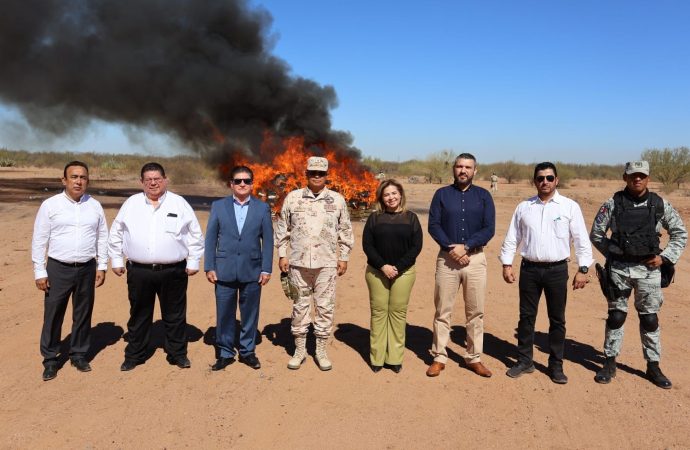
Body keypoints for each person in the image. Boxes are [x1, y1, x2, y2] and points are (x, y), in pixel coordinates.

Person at [590, 160, 686, 389]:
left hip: (649, 270)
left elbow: (680, 233)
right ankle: (609, 362)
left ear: (648, 178)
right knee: (616, 317)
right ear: (625, 177)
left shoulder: (659, 204)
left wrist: (664, 258)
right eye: (633, 175)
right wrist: (614, 253)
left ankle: (653, 366)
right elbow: (596, 234)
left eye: (642, 175)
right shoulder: (612, 203)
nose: (637, 179)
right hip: (620, 270)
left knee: (650, 318)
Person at [499, 162, 593, 384]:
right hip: (529, 269)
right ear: (535, 181)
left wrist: (583, 268)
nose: (545, 182)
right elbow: (512, 237)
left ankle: (556, 365)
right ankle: (524, 361)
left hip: (557, 270)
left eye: (549, 178)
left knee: (557, 320)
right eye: (540, 178)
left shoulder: (569, 207)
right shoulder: (524, 207)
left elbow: (581, 240)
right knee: (526, 317)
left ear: (557, 180)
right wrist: (506, 264)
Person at [108, 162, 204, 371]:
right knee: (139, 314)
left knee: (175, 315)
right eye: (148, 179)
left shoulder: (179, 204)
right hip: (139, 271)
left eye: (157, 179)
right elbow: (116, 232)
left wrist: (194, 260)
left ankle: (177, 354)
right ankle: (135, 355)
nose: (153, 183)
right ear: (141, 182)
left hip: (173, 271)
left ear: (165, 180)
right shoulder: (131, 204)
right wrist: (116, 260)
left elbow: (195, 234)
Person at [275, 156, 354, 371]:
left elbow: (345, 230)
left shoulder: (337, 200)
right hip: (298, 263)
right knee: (300, 306)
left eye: (320, 173)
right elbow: (283, 228)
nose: (317, 177)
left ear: (326, 175)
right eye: (313, 173)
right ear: (306, 175)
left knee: (324, 307)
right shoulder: (293, 198)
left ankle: (320, 349)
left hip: (326, 264)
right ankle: (299, 350)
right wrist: (282, 254)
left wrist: (344, 257)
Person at [31, 161, 108, 381]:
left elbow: (102, 237)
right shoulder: (50, 205)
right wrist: (40, 271)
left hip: (86, 267)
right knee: (53, 314)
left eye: (83, 177)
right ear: (64, 180)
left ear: (88, 181)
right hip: (58, 268)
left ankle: (79, 354)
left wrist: (102, 265)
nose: (78, 181)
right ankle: (50, 359)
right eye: (74, 177)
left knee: (83, 314)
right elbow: (39, 240)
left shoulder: (95, 206)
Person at [427, 153, 496, 378]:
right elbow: (434, 225)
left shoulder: (484, 196)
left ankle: (473, 357)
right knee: (442, 310)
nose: (463, 170)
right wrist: (451, 248)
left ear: (475, 171)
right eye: (459, 166)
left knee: (475, 312)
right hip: (447, 259)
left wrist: (466, 247)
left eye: (468, 167)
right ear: (453, 169)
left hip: (475, 259)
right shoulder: (441, 195)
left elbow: (489, 228)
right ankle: (439, 356)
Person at [204, 166, 273, 371]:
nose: (242, 184)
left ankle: (247, 351)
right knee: (224, 313)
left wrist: (266, 268)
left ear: (252, 184)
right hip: (224, 269)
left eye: (246, 181)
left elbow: (268, 241)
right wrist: (209, 266)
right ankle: (225, 352)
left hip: (252, 270)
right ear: (231, 184)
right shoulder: (218, 206)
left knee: (250, 313)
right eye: (238, 181)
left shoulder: (262, 208)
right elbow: (210, 238)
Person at [362, 179, 423, 373]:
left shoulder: (411, 218)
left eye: (394, 193)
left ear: (401, 194)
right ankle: (377, 357)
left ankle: (395, 358)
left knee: (397, 313)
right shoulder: (374, 218)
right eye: (386, 194)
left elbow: (416, 246)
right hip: (377, 272)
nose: (391, 197)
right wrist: (383, 266)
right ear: (381, 197)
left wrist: (397, 267)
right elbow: (367, 245)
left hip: (403, 273)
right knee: (379, 313)